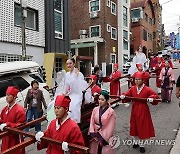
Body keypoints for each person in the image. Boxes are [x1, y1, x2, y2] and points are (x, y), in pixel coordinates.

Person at [120, 72, 159, 153]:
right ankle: (135, 141)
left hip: (143, 109)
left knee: (142, 126)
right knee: (134, 125)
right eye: (135, 79)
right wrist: (123, 95)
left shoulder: (147, 89)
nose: (136, 81)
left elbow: (155, 96)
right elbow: (127, 94)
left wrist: (152, 98)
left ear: (143, 80)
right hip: (134, 109)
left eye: (138, 79)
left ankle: (142, 144)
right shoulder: (133, 88)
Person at [0, 86, 26, 154]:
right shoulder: (4, 109)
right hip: (6, 138)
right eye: (6, 95)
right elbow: (2, 121)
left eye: (9, 95)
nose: (6, 97)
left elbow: (20, 125)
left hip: (15, 138)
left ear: (14, 97)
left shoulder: (20, 110)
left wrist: (7, 124)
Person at [63, 58, 88, 123]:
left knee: (74, 104)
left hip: (77, 93)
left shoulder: (79, 74)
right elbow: (66, 85)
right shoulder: (67, 74)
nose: (69, 65)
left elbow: (80, 86)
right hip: (70, 93)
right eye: (67, 64)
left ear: (74, 64)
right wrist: (64, 93)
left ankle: (75, 121)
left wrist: (76, 76)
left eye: (70, 63)